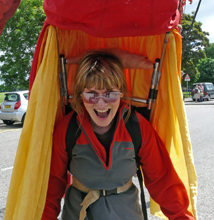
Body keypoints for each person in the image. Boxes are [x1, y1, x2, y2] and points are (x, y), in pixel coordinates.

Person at [42, 51, 195, 220]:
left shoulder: (137, 127)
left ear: (121, 92)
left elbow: (163, 182)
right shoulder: (67, 129)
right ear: (80, 95)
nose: (101, 103)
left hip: (126, 213)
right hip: (78, 214)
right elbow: (51, 188)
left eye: (110, 93)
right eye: (91, 94)